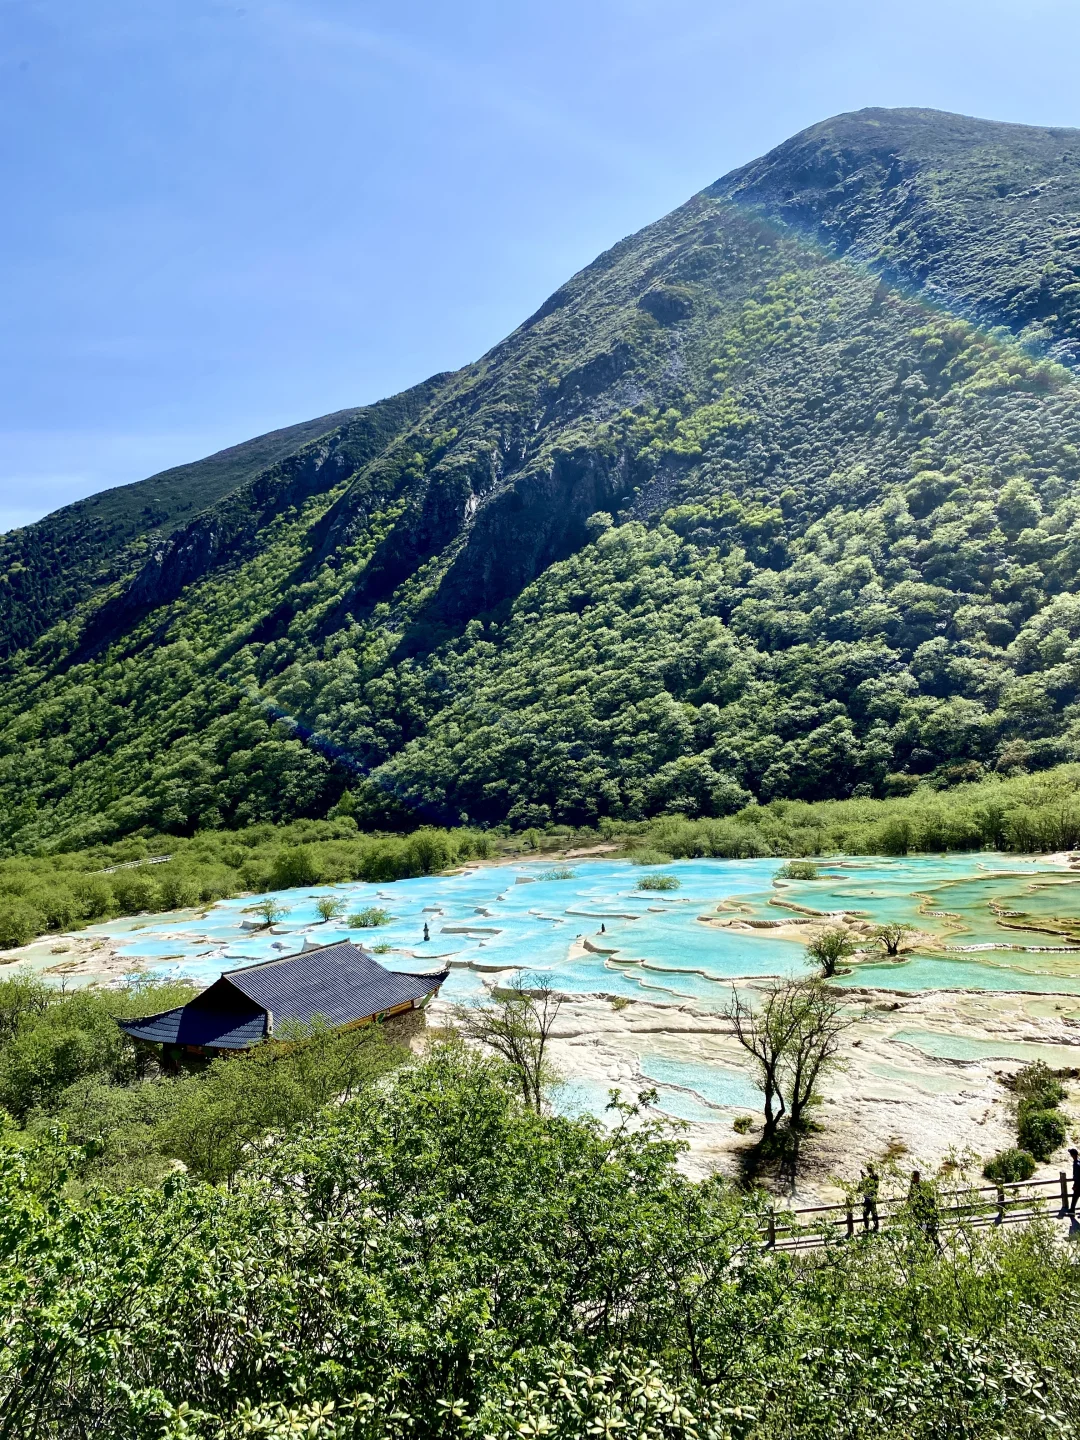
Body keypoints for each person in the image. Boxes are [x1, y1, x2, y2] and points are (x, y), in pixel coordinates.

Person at [908, 1169, 941, 1251]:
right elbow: (910, 1199)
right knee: (924, 1230)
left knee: (930, 1230)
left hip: (926, 1213)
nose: (914, 1179)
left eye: (915, 1177)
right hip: (920, 1214)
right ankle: (927, 1246)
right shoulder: (913, 1186)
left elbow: (931, 1199)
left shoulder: (923, 1186)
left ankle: (935, 1247)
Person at [860, 1162, 880, 1233]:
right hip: (870, 1198)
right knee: (870, 1214)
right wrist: (864, 1176)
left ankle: (871, 1228)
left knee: (868, 1214)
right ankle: (874, 1228)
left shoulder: (875, 1177)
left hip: (870, 1198)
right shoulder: (873, 1176)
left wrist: (864, 1178)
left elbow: (869, 1184)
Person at [1069, 1147, 1080, 1217]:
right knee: (1075, 1197)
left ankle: (1072, 1211)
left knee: (1075, 1197)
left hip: (1079, 1184)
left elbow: (1077, 1176)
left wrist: (1075, 1185)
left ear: (1072, 1155)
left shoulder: (1076, 1164)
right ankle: (1072, 1210)